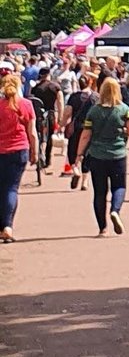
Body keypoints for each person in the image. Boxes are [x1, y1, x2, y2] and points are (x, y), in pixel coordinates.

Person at [76, 77, 129, 236]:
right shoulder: (123, 109)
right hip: (118, 154)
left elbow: (85, 135)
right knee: (119, 186)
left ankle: (102, 228)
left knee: (100, 192)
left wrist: (79, 154)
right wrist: (121, 130)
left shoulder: (94, 110)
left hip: (97, 155)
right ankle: (115, 210)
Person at [0, 63, 36, 243]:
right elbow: (33, 133)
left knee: (2, 188)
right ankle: (7, 226)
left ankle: (2, 225)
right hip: (19, 149)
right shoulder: (27, 105)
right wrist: (35, 153)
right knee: (11, 188)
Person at [64, 72, 99, 192]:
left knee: (72, 150)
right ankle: (85, 181)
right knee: (87, 153)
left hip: (77, 127)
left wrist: (62, 124)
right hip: (90, 128)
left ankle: (75, 169)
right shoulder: (96, 97)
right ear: (90, 82)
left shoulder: (73, 97)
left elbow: (68, 112)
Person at [30, 67, 63, 169]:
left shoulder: (35, 87)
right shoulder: (55, 86)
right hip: (51, 114)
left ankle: (39, 152)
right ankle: (48, 159)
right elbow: (60, 101)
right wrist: (60, 116)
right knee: (50, 137)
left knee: (37, 133)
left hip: (38, 115)